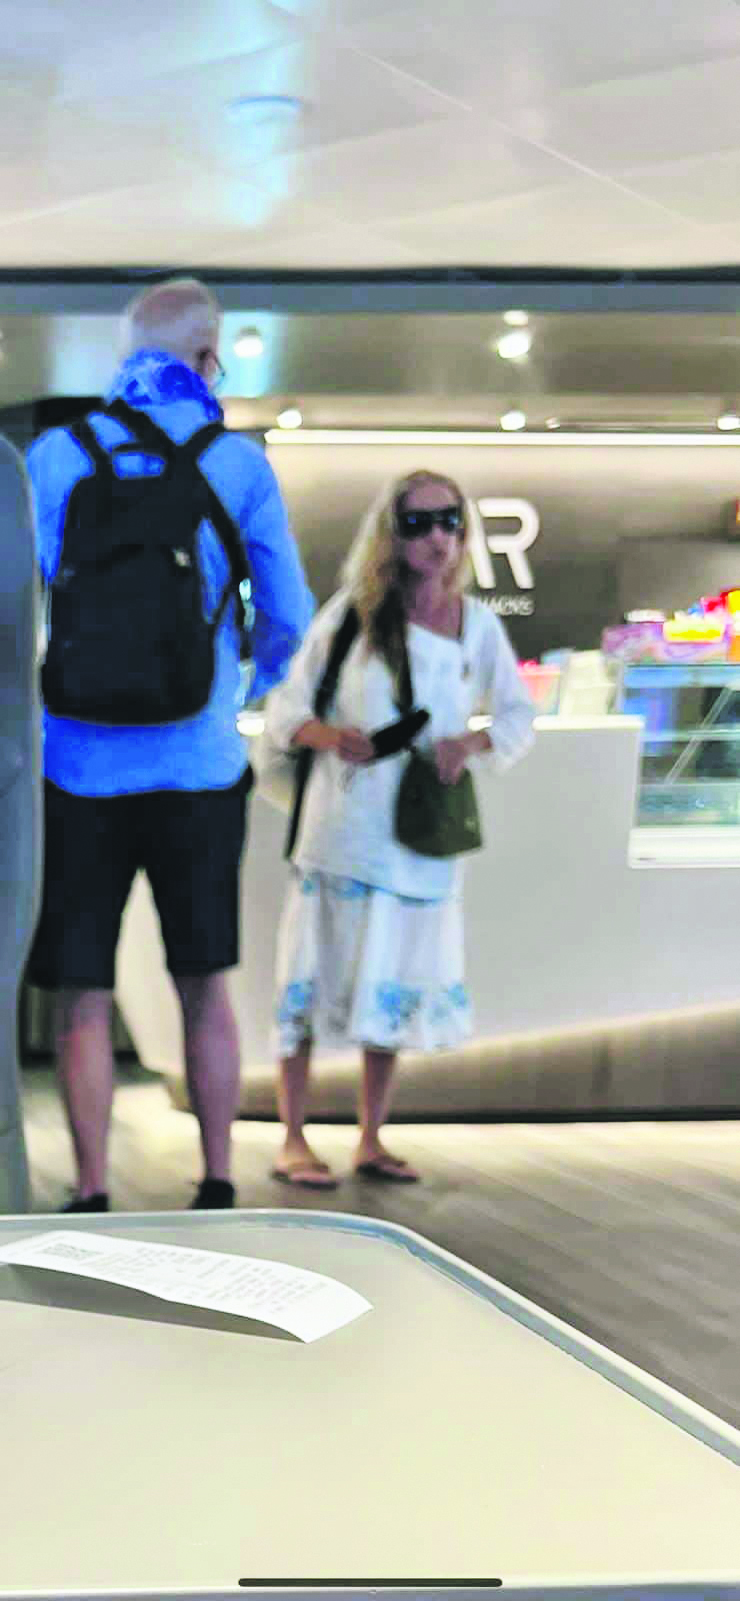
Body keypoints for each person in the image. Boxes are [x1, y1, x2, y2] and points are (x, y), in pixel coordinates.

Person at [27, 277, 313, 1213]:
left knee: (81, 991)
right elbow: (290, 612)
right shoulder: (236, 463)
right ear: (206, 356)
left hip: (76, 765)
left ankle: (91, 1188)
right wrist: (243, 683)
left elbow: (20, 597)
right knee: (203, 982)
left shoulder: (58, 455)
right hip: (198, 767)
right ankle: (218, 1178)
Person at [265, 468, 534, 1189]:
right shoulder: (350, 617)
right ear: (391, 532)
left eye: (449, 520)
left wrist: (467, 743)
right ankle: (293, 1137)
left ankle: (371, 1137)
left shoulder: (476, 625)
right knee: (310, 981)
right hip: (343, 831)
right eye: (418, 523)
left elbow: (517, 714)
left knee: (393, 982)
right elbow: (287, 708)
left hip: (419, 835)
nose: (436, 537)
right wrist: (331, 735)